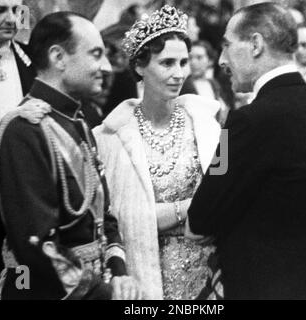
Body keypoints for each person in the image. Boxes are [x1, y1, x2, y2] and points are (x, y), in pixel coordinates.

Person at [187, 3, 306, 300]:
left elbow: (199, 220)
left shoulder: (247, 121)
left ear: (256, 44)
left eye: (226, 45)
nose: (222, 60)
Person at [0, 11, 140, 300]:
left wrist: (119, 273)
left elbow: (103, 217)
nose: (106, 66)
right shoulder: (23, 129)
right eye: (96, 54)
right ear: (58, 57)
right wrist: (103, 294)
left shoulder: (78, 122)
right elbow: (37, 244)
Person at [93, 5, 221, 300]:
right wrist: (190, 209)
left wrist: (168, 215)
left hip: (209, 279)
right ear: (139, 65)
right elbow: (118, 219)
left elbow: (225, 193)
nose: (179, 73)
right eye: (167, 63)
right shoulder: (110, 137)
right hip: (145, 277)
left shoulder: (214, 126)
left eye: (184, 62)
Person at [0, 0, 35, 299]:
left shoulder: (27, 61)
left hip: (19, 180)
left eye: (16, 10)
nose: (11, 18)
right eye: (0, 10)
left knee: (22, 269)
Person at [180, 40, 228, 125]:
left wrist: (224, 138)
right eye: (190, 58)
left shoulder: (214, 84)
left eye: (199, 57)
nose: (193, 62)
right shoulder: (182, 86)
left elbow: (223, 118)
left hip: (216, 135)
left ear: (210, 61)